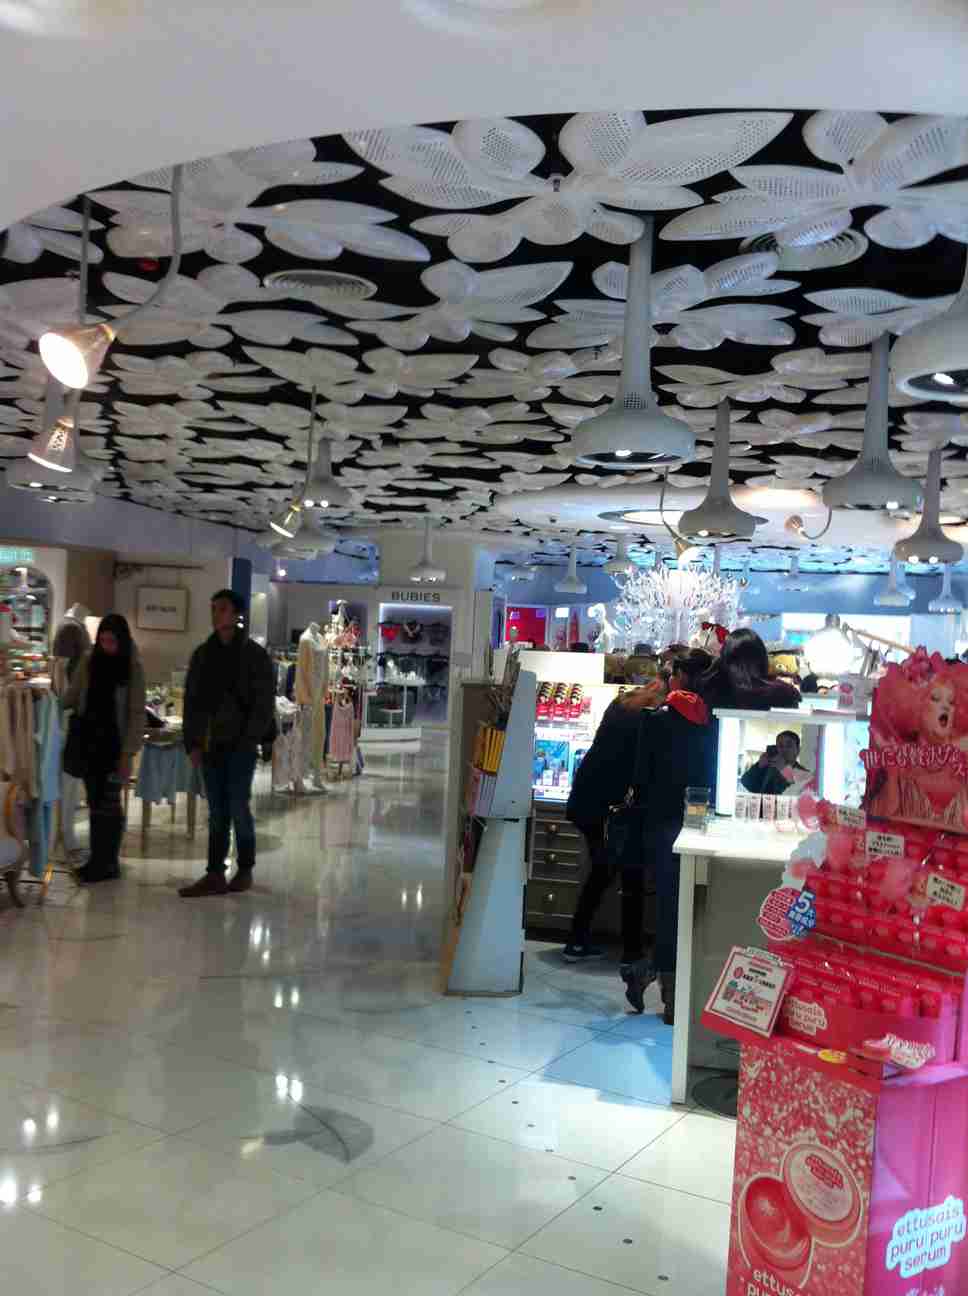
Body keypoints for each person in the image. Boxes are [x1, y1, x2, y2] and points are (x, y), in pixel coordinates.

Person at [562, 650, 713, 969]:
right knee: (618, 872)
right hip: (611, 804)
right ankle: (618, 948)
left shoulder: (624, 703)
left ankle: (599, 942)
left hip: (592, 798)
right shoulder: (652, 718)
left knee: (610, 871)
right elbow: (642, 768)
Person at [179, 589, 275, 898]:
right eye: (213, 608)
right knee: (217, 810)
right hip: (211, 744)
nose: (216, 614)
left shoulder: (254, 656)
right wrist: (193, 743)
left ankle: (245, 867)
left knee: (237, 806)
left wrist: (251, 739)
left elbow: (263, 704)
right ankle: (215, 873)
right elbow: (192, 702)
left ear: (236, 614)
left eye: (222, 609)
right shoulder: (203, 655)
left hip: (241, 745)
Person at [62, 614, 146, 883]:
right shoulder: (89, 661)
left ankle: (107, 862)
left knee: (109, 804)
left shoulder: (132, 668)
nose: (107, 646)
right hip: (89, 743)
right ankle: (100, 861)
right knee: (95, 803)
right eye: (103, 641)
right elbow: (72, 696)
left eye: (112, 641)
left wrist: (128, 753)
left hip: (114, 747)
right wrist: (49, 701)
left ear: (122, 641)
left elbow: (136, 713)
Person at [741, 730, 810, 796]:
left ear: (798, 750)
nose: (784, 749)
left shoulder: (804, 774)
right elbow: (746, 783)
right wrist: (758, 766)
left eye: (789, 745)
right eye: (780, 745)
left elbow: (800, 794)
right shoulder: (769, 768)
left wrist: (784, 769)